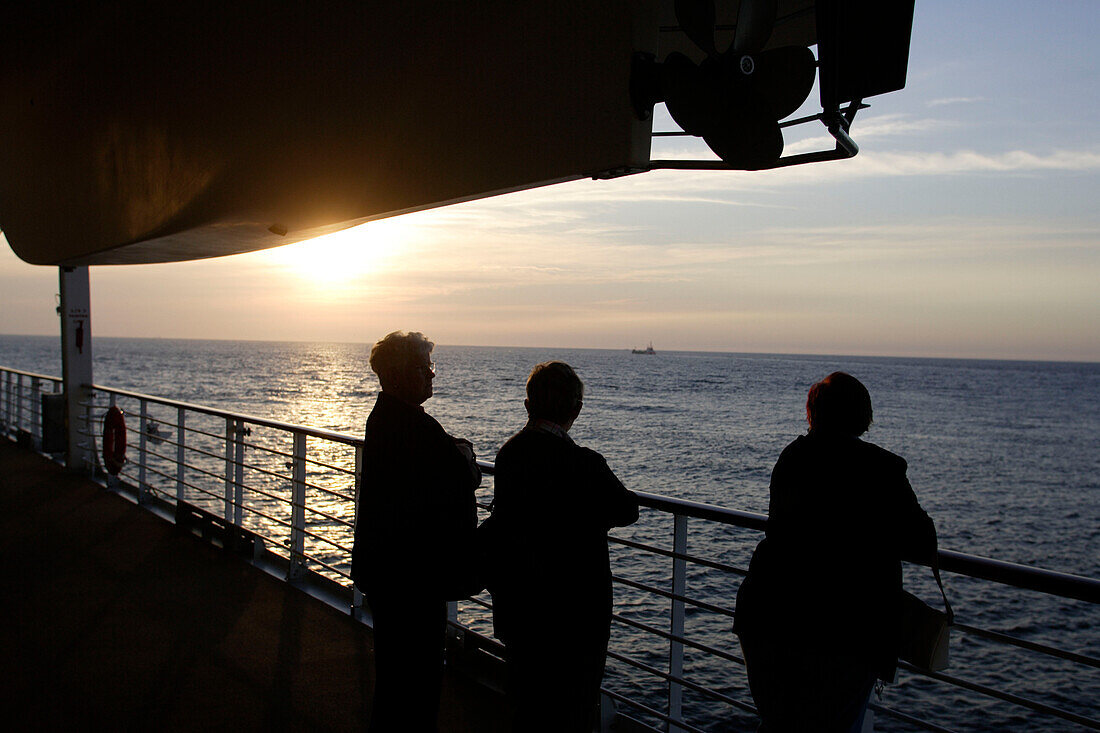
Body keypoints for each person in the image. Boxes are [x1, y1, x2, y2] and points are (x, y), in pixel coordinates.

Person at [734, 372, 937, 733]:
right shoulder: (883, 468)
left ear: (813, 412)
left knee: (779, 722)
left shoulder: (793, 457)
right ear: (863, 415)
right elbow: (923, 541)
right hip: (843, 628)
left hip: (768, 611)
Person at [483, 361, 639, 732]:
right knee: (573, 707)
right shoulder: (582, 462)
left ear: (528, 405)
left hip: (520, 603)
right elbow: (627, 509)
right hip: (575, 615)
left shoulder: (510, 454)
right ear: (576, 410)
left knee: (528, 703)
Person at [350, 331, 482, 733]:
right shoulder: (413, 426)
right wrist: (465, 456)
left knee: (394, 680)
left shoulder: (386, 418)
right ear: (402, 374)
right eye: (426, 369)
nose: (432, 377)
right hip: (413, 578)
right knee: (417, 684)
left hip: (388, 571)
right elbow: (464, 476)